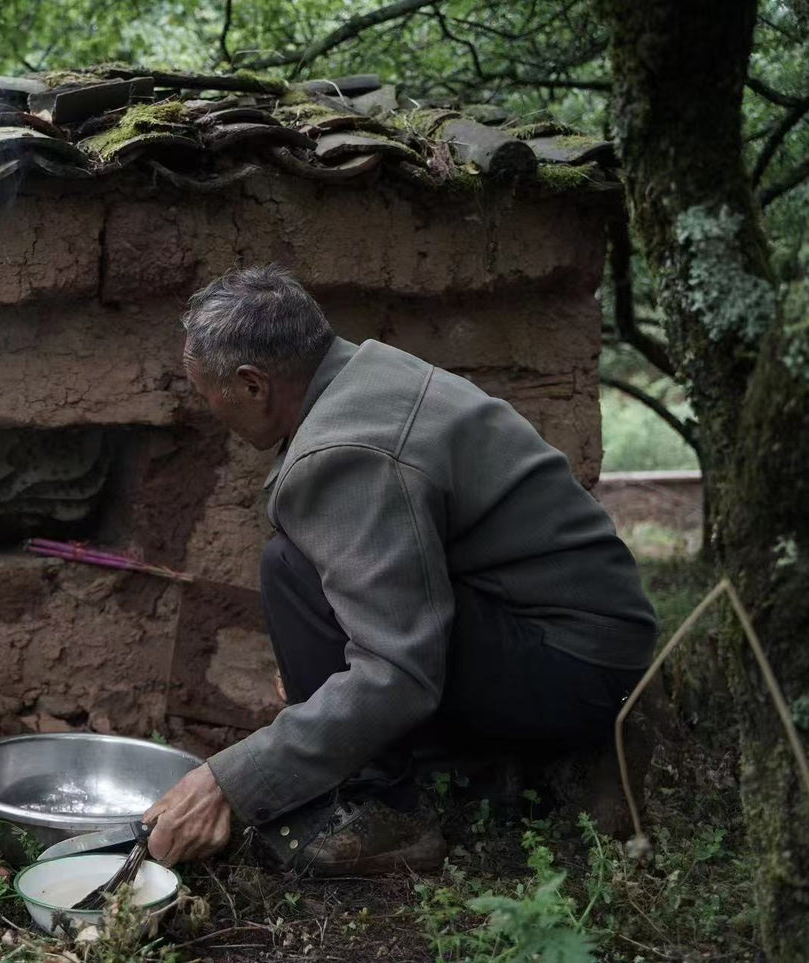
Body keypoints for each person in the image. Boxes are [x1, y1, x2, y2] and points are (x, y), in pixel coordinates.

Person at [143, 265, 658, 875]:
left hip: (577, 665)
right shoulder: (369, 373)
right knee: (305, 575)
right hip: (587, 641)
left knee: (290, 566)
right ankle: (492, 766)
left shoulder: (348, 453)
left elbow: (399, 673)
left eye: (209, 394)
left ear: (254, 384)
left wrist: (228, 781)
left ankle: (385, 808)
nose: (211, 410)